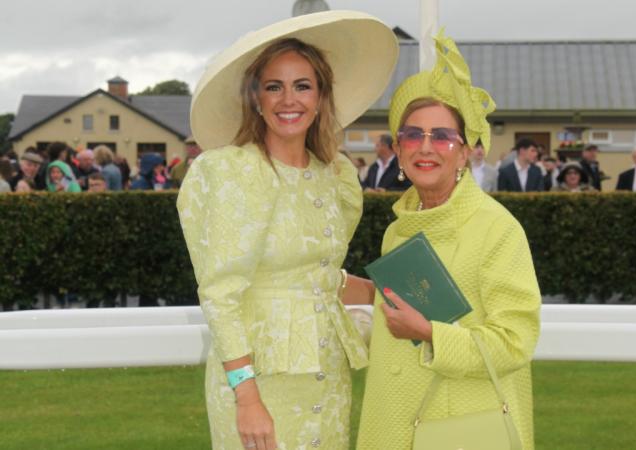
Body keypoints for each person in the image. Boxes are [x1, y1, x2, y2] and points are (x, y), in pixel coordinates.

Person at [176, 12, 398, 450]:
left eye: (302, 85)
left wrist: (385, 293)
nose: (287, 99)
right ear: (256, 98)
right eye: (273, 86)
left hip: (328, 374)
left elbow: (319, 278)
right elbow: (220, 295)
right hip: (259, 383)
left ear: (320, 97)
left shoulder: (335, 177)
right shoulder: (232, 173)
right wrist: (246, 397)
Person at [354, 31, 541, 450]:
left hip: (463, 425)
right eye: (412, 135)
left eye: (441, 136)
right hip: (394, 418)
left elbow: (516, 340)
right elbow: (407, 305)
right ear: (399, 151)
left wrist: (432, 335)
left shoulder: (497, 228)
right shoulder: (398, 228)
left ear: (464, 151)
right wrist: (364, 292)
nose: (426, 147)